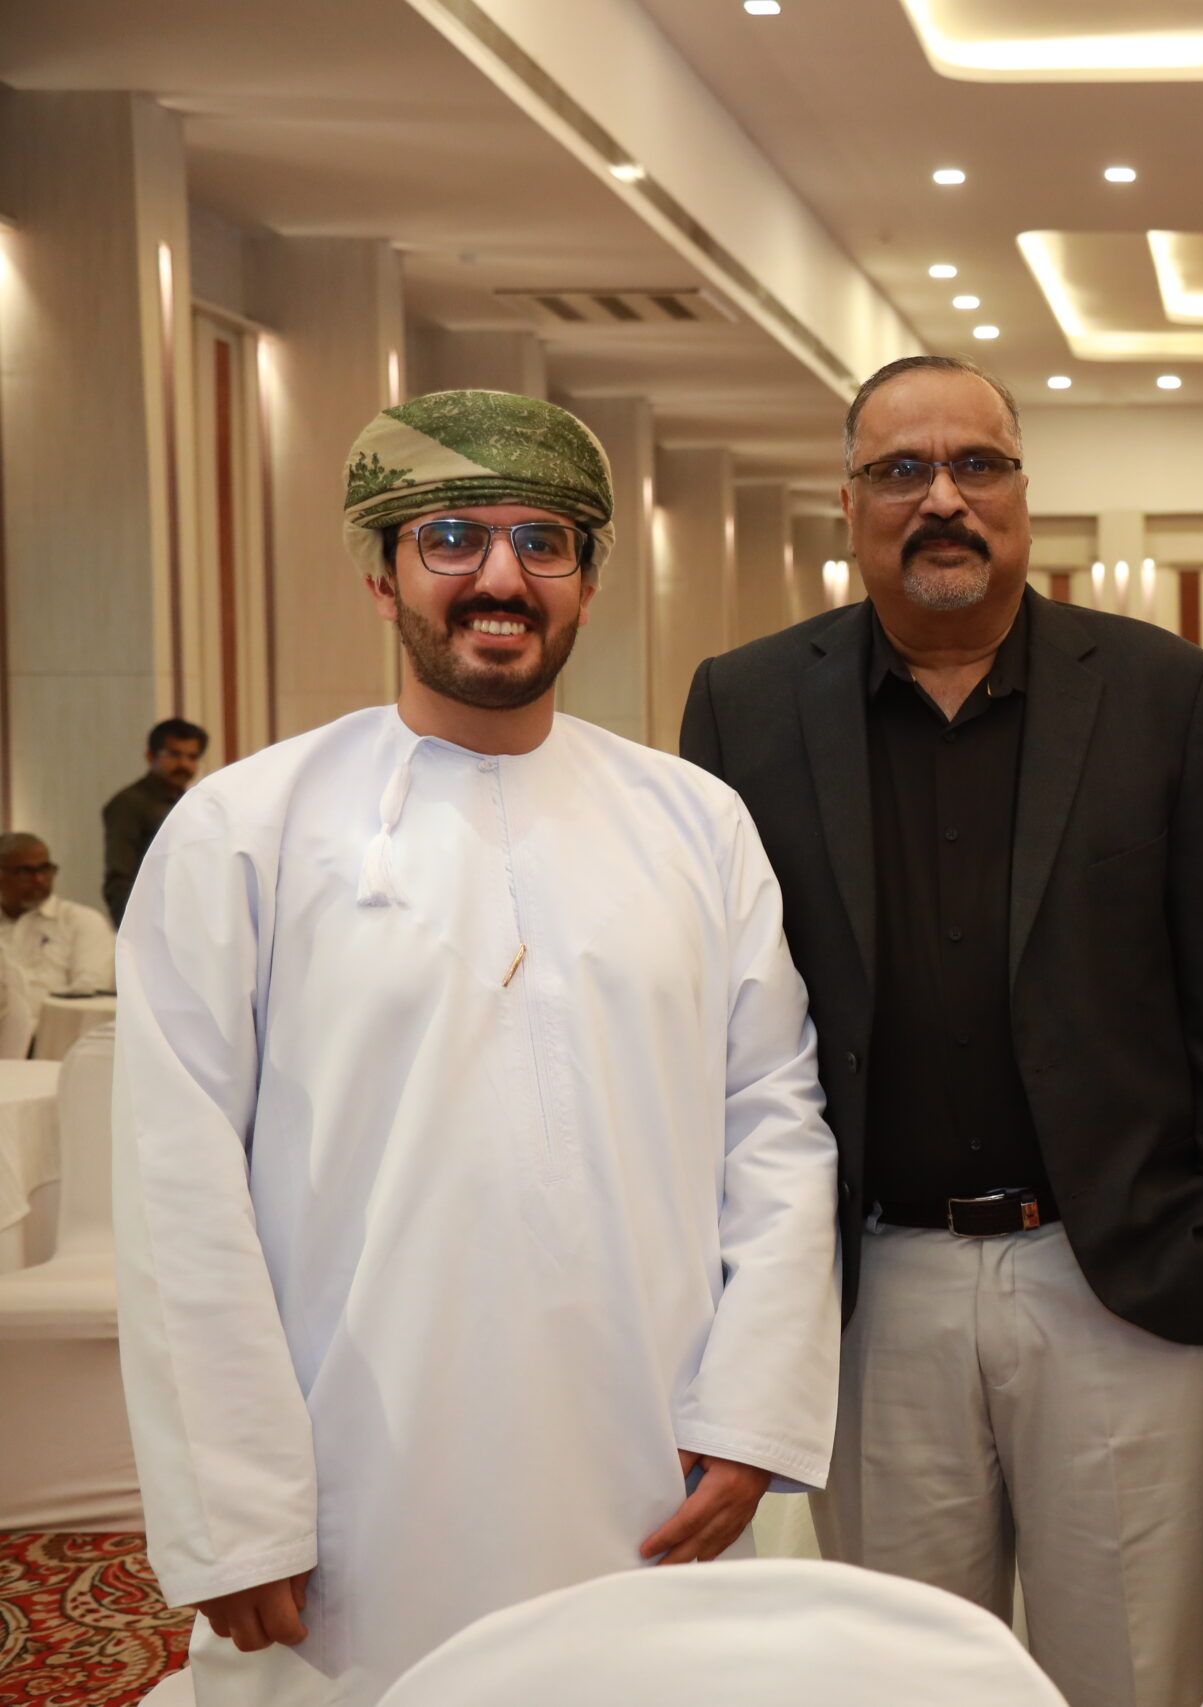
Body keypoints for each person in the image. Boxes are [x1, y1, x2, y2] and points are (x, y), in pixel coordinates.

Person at [116, 389, 841, 1707]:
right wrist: (233, 1503)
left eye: (543, 541)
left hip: (652, 1457)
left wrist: (752, 1415)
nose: (501, 577)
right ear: (381, 575)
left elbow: (775, 1125)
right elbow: (179, 1189)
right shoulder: (244, 829)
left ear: (586, 582)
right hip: (361, 1481)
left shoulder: (696, 822)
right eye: (451, 536)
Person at [681, 355, 1203, 1707]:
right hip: (872, 1288)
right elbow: (713, 1021)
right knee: (903, 1682)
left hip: (1120, 1278)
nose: (943, 498)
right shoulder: (746, 705)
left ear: (1022, 495)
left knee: (1133, 1682)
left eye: (977, 465)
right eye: (902, 469)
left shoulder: (1162, 690)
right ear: (849, 504)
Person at [102, 717, 208, 924]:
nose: (184, 764)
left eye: (192, 757)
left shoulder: (193, 803)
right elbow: (120, 876)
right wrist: (132, 928)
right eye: (174, 755)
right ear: (151, 756)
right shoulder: (129, 803)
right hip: (152, 921)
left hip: (191, 917)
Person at [0, 832, 116, 995]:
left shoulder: (82, 921)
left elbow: (90, 991)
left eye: (45, 869)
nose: (39, 879)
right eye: (25, 872)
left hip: (61, 1012)